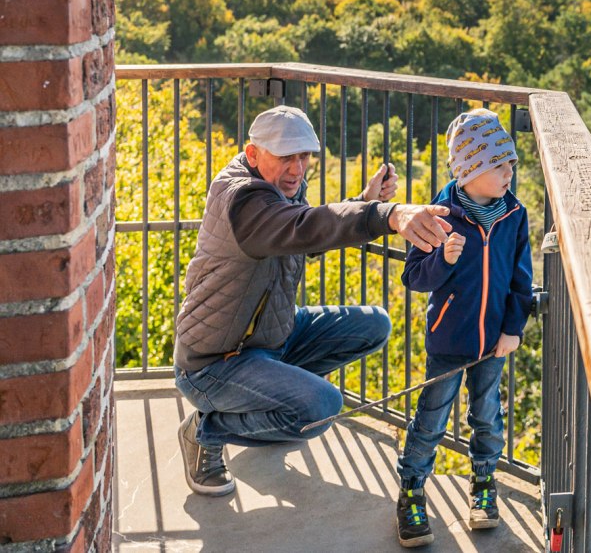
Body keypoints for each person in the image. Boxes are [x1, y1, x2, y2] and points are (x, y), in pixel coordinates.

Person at [174, 104, 453, 498]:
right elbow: (302, 226)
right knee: (321, 407)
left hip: (267, 339)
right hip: (216, 361)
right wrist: (386, 214)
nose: (297, 168)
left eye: (303, 156)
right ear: (253, 155)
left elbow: (299, 240)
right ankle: (205, 430)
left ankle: (275, 404)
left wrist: (362, 199)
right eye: (285, 157)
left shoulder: (278, 187)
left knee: (373, 324)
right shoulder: (243, 199)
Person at [394, 108, 534, 547]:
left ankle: (484, 486)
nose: (510, 171)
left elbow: (520, 278)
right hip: (449, 342)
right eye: (499, 164)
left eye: (510, 162)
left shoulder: (514, 214)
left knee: (487, 417)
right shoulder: (439, 216)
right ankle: (412, 491)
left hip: (493, 343)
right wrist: (443, 259)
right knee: (431, 419)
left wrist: (513, 329)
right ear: (469, 170)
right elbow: (415, 278)